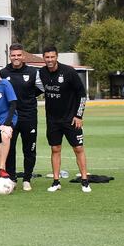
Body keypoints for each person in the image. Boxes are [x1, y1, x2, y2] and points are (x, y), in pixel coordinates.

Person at [40, 47, 91, 193]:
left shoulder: (68, 72)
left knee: (78, 148)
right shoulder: (41, 73)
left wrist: (79, 115)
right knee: (55, 149)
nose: (49, 60)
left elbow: (82, 94)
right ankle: (56, 181)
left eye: (52, 57)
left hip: (71, 119)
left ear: (57, 57)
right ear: (44, 58)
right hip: (52, 120)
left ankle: (85, 181)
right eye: (47, 57)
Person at [0, 44, 44, 189]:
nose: (16, 58)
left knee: (29, 148)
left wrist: (29, 96)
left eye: (19, 55)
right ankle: (11, 178)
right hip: (10, 117)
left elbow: (41, 88)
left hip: (29, 115)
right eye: (13, 55)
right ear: (10, 56)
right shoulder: (3, 72)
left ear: (23, 56)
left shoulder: (33, 72)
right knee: (10, 148)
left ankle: (27, 179)